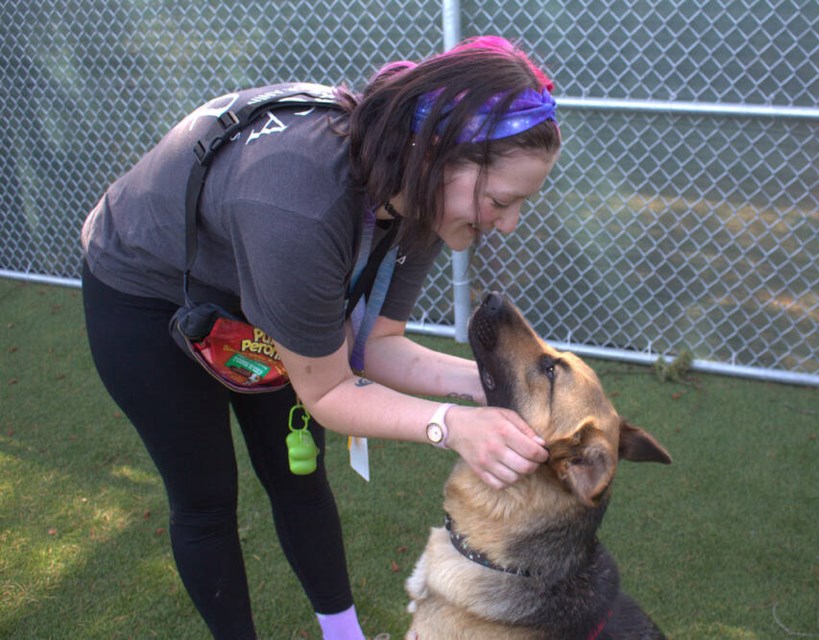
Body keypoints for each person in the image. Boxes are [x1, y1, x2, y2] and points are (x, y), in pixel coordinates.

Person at [80, 36, 561, 640]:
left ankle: (343, 636)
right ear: (439, 154)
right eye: (501, 200)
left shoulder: (421, 193)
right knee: (205, 499)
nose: (509, 223)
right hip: (146, 295)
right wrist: (452, 425)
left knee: (297, 475)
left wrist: (491, 386)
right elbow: (330, 392)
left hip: (258, 282)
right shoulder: (302, 207)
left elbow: (376, 345)